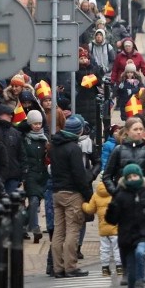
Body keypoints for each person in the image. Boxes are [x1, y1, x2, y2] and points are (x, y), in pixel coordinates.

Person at [50, 116, 93, 278]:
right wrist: (88, 194)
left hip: (57, 192)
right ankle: (70, 266)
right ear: (78, 131)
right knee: (73, 230)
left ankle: (58, 267)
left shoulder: (54, 146)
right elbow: (79, 175)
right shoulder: (73, 148)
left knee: (59, 231)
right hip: (72, 193)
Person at [82, 180, 122, 277]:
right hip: (115, 228)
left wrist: (83, 205)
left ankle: (105, 268)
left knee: (104, 249)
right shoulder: (114, 194)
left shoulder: (96, 195)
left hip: (103, 229)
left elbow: (90, 209)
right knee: (117, 249)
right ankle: (119, 267)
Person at [22, 109, 50, 244]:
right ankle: (35, 228)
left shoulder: (46, 139)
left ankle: (20, 223)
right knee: (33, 201)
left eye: (39, 123)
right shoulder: (25, 139)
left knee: (36, 203)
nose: (37, 126)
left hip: (43, 174)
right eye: (35, 124)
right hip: (31, 174)